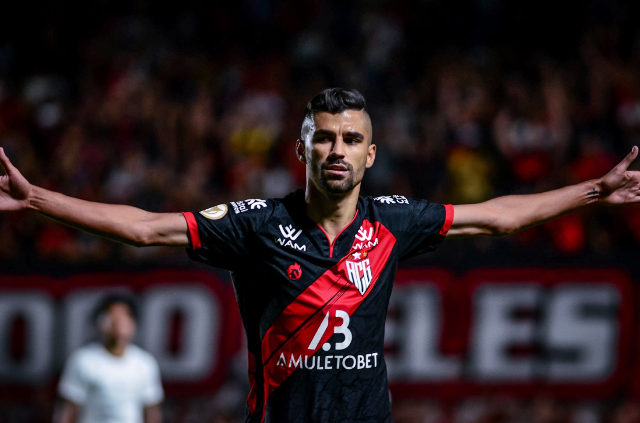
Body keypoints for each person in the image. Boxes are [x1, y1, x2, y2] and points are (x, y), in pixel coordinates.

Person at [1, 88, 639, 422]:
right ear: (301, 150)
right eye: (324, 138)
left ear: (370, 154)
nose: (337, 149)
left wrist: (592, 191)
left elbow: (498, 217)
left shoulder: (393, 221)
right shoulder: (255, 225)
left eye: (351, 139)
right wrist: (38, 202)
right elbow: (144, 228)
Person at [55, 294, 163, 423]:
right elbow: (69, 410)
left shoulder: (145, 363)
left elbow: (151, 411)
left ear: (133, 323)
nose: (118, 323)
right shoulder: (82, 360)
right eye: (112, 317)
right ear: (100, 322)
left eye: (124, 317)